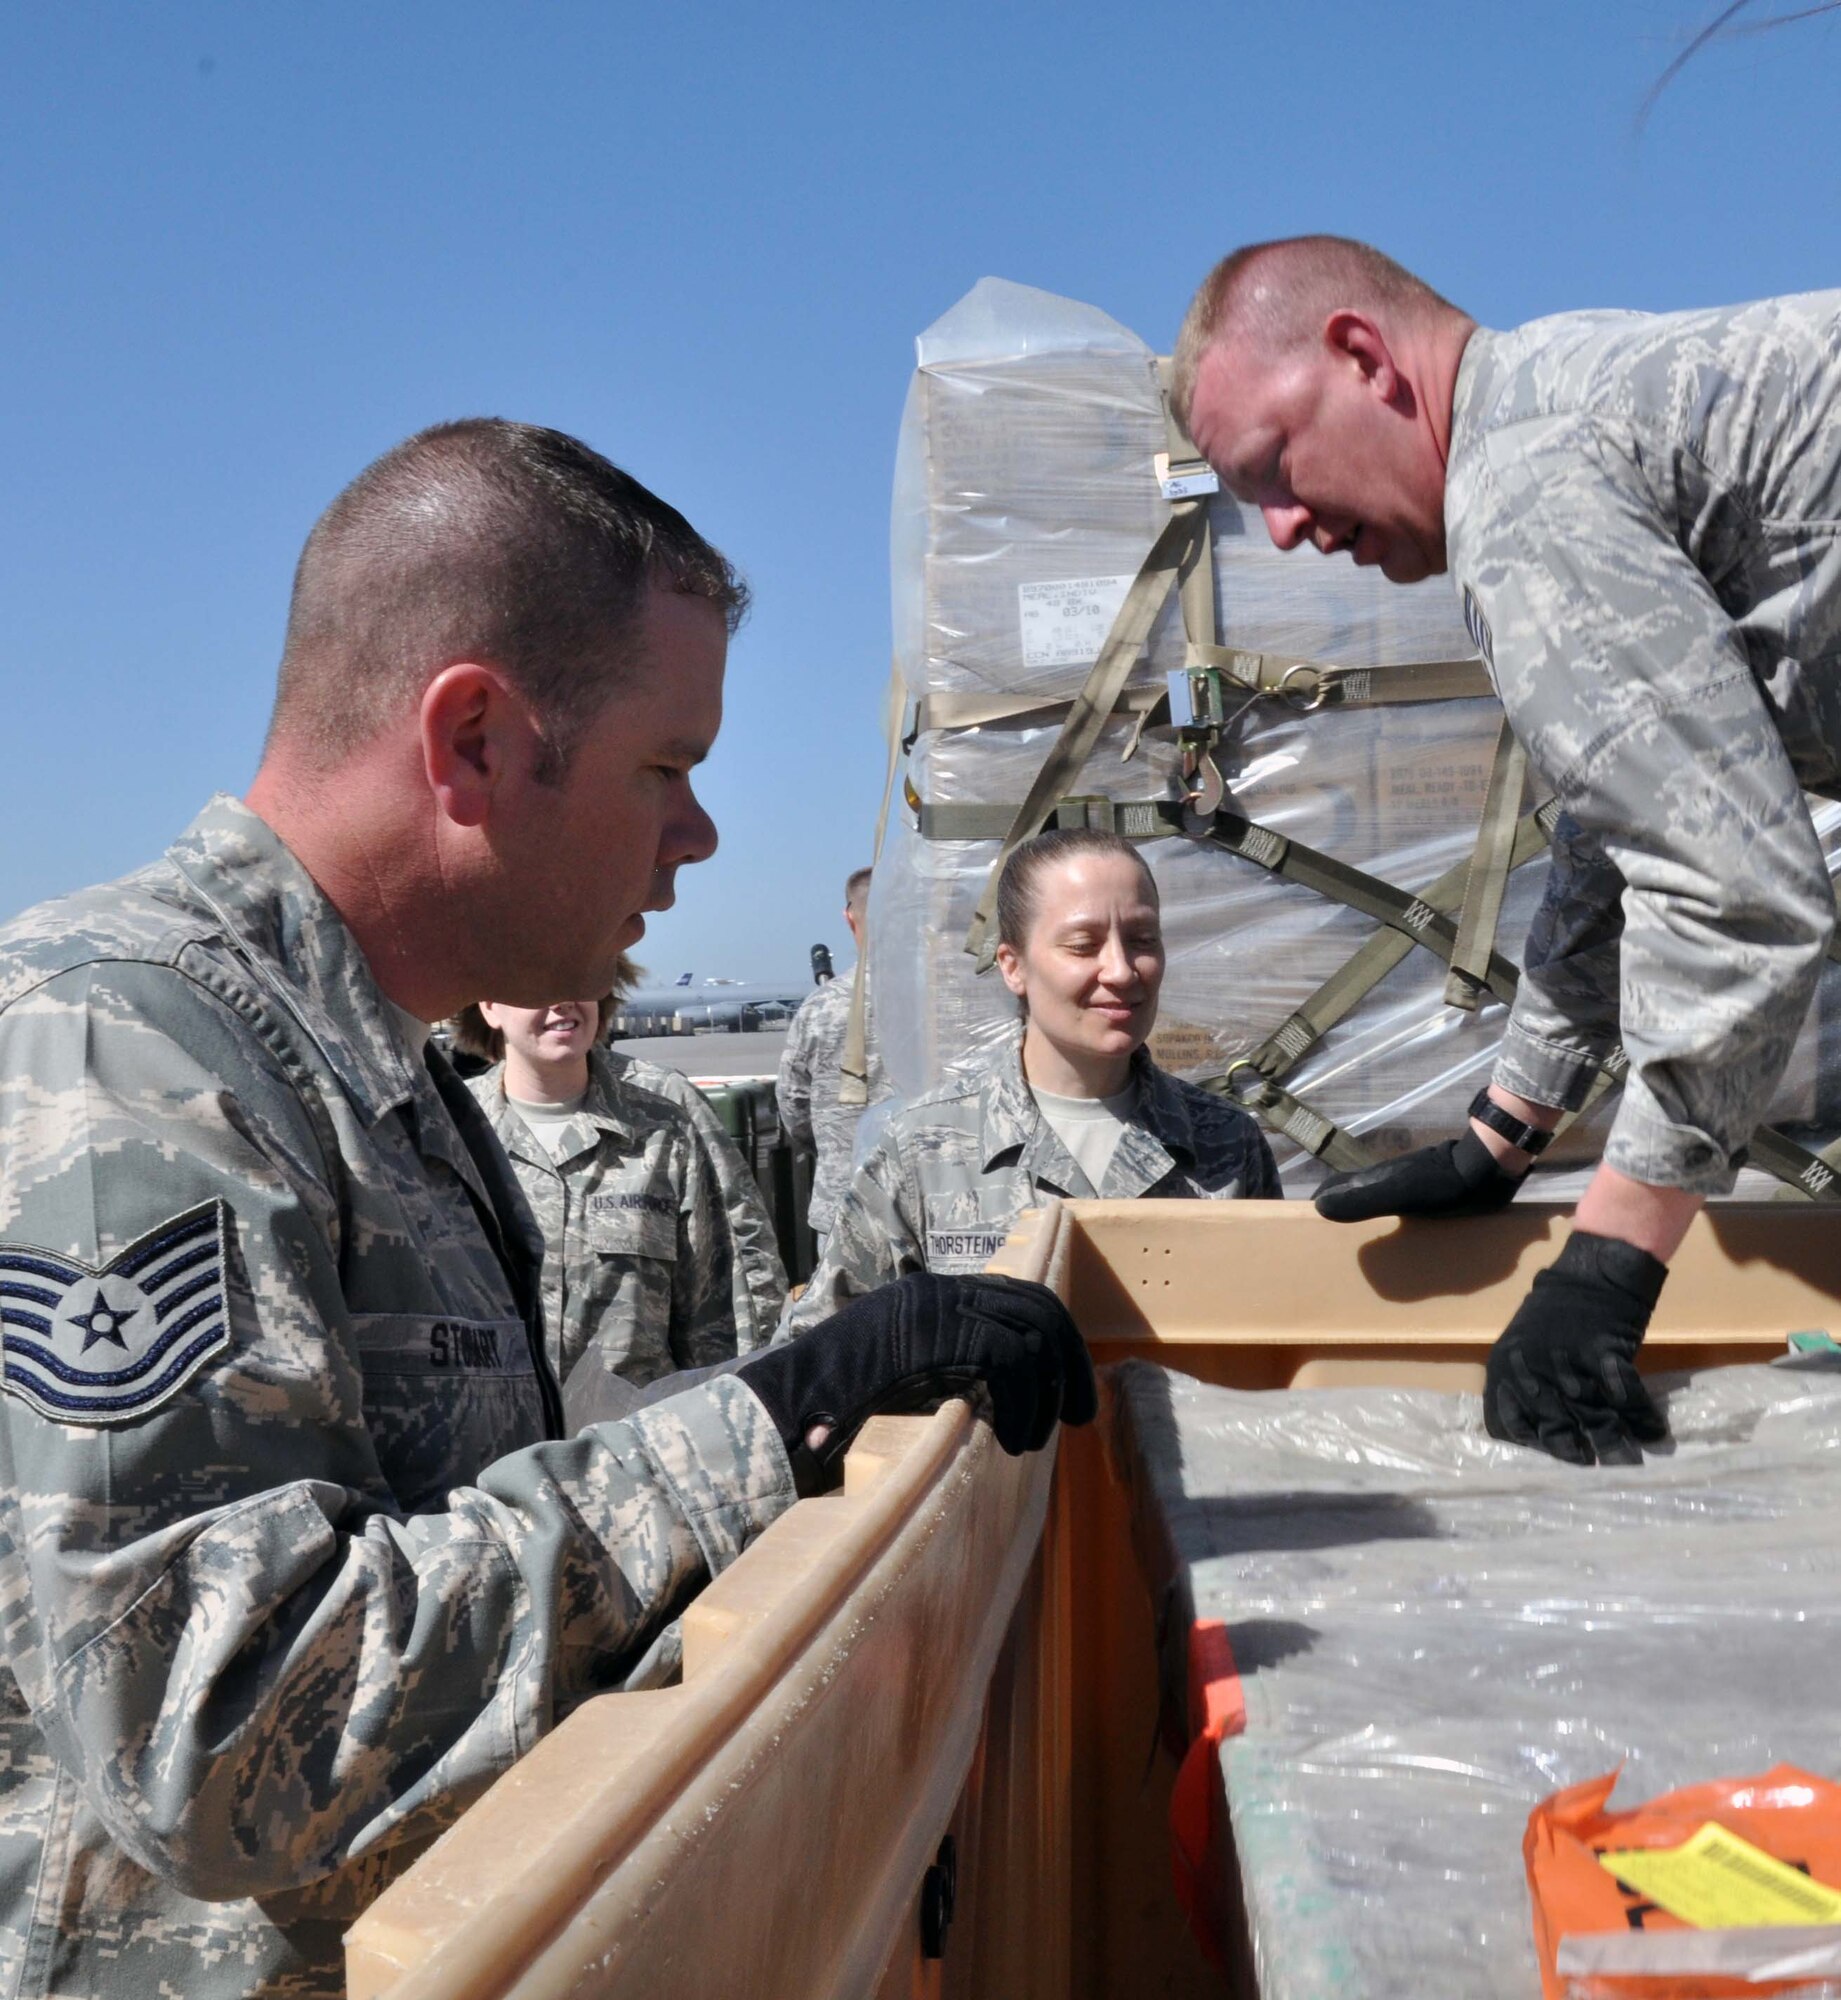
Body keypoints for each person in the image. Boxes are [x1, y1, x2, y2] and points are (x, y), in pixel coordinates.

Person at [0, 418, 1093, 1996]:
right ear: (474, 745)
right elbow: (216, 1731)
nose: (699, 833)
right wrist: (762, 1426)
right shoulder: (134, 1060)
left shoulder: (368, 1077)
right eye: (667, 767)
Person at [1171, 234, 1841, 1466]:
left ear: (1363, 358)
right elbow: (1618, 827)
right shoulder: (1556, 406)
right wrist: (1504, 1129)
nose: (1274, 530)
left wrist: (1607, 1262)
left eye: (1270, 465)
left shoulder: (1520, 487)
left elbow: (1736, 896)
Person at [782, 829, 1280, 1336]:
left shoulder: (1226, 1143)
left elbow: (1282, 1338)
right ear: (1012, 967)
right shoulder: (921, 1152)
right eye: (1083, 946)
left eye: (1143, 940)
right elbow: (815, 1357)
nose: (1122, 970)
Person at [456, 997, 771, 1391]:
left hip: (632, 1439)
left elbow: (719, 1321)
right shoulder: (451, 1133)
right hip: (497, 1443)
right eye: (538, 984)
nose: (562, 1000)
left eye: (578, 980)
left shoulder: (662, 1130)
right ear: (489, 1008)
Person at [603, 953, 790, 1340]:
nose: (557, 1002)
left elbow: (741, 1239)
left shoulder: (665, 1101)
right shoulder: (467, 1119)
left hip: (649, 1394)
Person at [777, 864, 893, 1251]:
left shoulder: (820, 1008)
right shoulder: (950, 1000)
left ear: (849, 917)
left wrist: (834, 1147)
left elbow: (793, 1108)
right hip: (936, 1205)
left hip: (844, 1208)